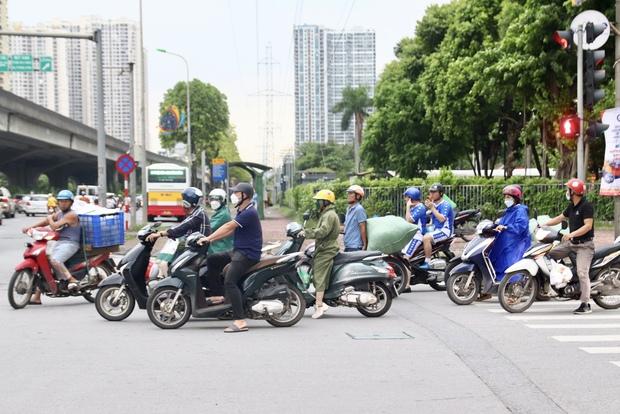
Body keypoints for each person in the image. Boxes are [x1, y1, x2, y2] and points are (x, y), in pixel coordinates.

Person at [198, 183, 263, 333]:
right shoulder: (242, 210)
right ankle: (219, 297)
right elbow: (230, 231)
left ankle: (240, 321)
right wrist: (211, 239)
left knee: (230, 281)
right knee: (213, 260)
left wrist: (208, 239)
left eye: (237, 193)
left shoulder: (249, 212)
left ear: (244, 195)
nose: (234, 195)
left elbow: (228, 227)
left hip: (247, 254)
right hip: (238, 251)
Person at [544, 178, 595, 315]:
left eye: (569, 189)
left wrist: (571, 234)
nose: (567, 191)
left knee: (582, 273)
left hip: (585, 246)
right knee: (549, 254)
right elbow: (560, 218)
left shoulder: (586, 206)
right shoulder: (571, 206)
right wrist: (544, 224)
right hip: (572, 244)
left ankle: (585, 304)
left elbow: (588, 226)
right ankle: (560, 281)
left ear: (574, 192)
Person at [23, 190, 82, 304]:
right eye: (61, 201)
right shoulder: (60, 213)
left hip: (71, 243)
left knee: (55, 260)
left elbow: (54, 226)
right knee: (43, 263)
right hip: (59, 242)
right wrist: (30, 227)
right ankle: (37, 297)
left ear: (70, 203)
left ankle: (71, 279)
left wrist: (50, 218)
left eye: (65, 201)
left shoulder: (71, 215)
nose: (63, 203)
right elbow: (46, 221)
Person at [483, 185, 531, 301]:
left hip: (517, 243)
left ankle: (515, 293)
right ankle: (488, 290)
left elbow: (520, 226)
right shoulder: (509, 210)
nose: (506, 199)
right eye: (505, 197)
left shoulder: (520, 210)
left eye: (508, 197)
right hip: (505, 242)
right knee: (492, 262)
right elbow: (501, 223)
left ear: (515, 198)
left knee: (512, 265)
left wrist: (506, 227)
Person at [302, 189, 340, 319]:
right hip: (324, 247)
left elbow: (323, 231)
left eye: (319, 202)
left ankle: (319, 306)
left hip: (327, 249)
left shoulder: (329, 215)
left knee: (319, 275)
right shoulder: (326, 213)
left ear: (326, 202)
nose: (317, 204)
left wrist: (306, 233)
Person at [146, 186, 211, 247]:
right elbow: (183, 230)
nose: (182, 204)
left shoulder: (198, 214)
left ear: (187, 202)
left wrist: (160, 234)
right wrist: (171, 234)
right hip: (194, 244)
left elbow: (182, 227)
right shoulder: (195, 212)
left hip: (199, 247)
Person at [421, 183, 454, 270]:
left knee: (426, 238)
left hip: (444, 231)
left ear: (441, 193)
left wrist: (432, 208)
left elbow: (442, 219)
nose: (431, 194)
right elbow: (427, 216)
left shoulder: (445, 205)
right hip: (436, 229)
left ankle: (427, 262)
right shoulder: (434, 204)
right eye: (430, 192)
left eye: (434, 192)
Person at [402, 186, 428, 259]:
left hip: (417, 235)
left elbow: (409, 220)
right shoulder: (414, 207)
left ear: (410, 198)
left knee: (406, 257)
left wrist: (407, 207)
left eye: (406, 197)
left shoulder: (420, 207)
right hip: (411, 234)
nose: (405, 199)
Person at [207, 188, 233, 254]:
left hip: (219, 248)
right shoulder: (221, 211)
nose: (214, 202)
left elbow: (209, 227)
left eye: (217, 199)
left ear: (223, 200)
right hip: (217, 246)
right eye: (212, 199)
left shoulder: (223, 214)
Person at [342, 185, 367, 252]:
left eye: (351, 193)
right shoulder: (348, 209)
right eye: (348, 193)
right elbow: (346, 226)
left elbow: (362, 227)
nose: (348, 195)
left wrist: (364, 244)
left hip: (355, 246)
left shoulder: (359, 209)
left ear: (358, 196)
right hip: (348, 245)